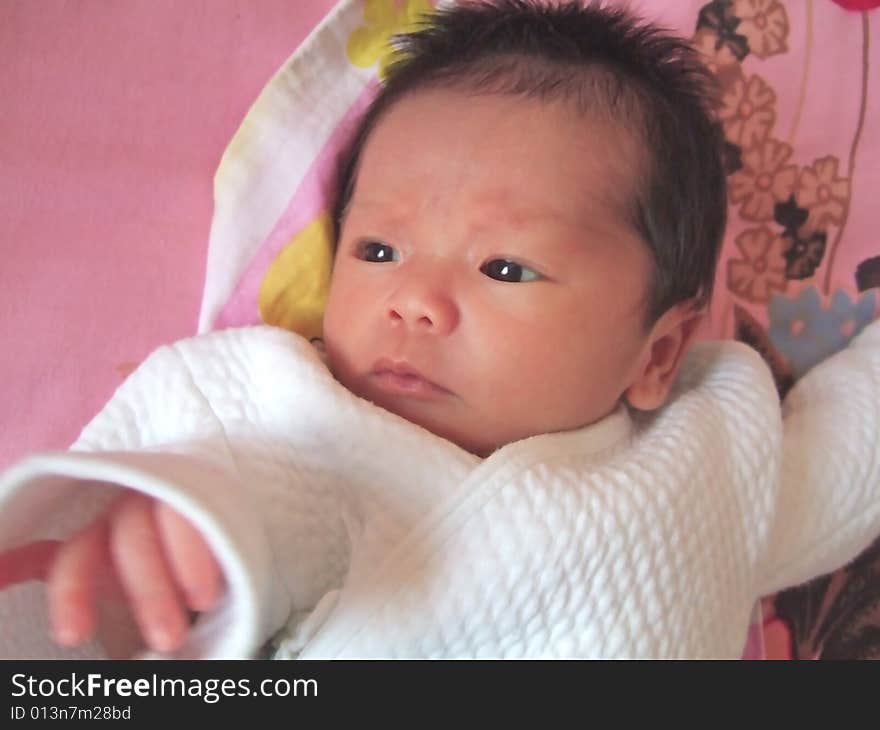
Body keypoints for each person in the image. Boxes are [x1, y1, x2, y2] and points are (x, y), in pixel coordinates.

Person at [0, 0, 878, 659]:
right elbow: (235, 502)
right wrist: (175, 530)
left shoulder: (714, 457)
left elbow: (852, 450)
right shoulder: (301, 423)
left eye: (503, 268)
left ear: (654, 354)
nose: (412, 300)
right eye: (378, 248)